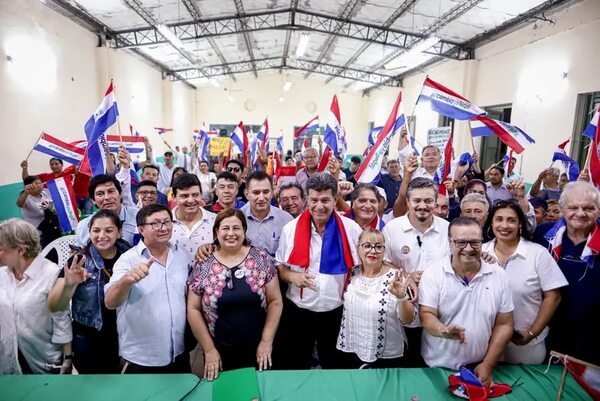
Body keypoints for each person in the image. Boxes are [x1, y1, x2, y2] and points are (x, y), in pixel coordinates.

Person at [274, 173, 362, 369]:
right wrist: (292, 276)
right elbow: (280, 267)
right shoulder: (290, 229)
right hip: (298, 313)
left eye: (325, 200)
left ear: (335, 199)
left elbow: (362, 268)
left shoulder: (351, 230)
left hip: (337, 313)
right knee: (295, 368)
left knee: (336, 368)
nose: (319, 206)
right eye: (314, 200)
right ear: (306, 200)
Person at [187, 209, 283, 380]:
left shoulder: (261, 259)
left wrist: (267, 341)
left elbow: (275, 301)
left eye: (236, 228)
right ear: (216, 232)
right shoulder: (204, 264)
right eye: (225, 228)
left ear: (244, 231)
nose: (231, 233)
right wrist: (209, 350)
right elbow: (193, 309)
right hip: (218, 350)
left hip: (260, 347)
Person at [419, 217, 514, 386]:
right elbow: (426, 315)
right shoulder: (434, 272)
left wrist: (488, 364)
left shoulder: (498, 275)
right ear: (449, 243)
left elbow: (504, 324)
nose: (468, 249)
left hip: (480, 367)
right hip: (438, 367)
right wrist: (444, 330)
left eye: (475, 243)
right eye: (461, 242)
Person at [104, 204, 190, 373]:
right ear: (141, 229)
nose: (163, 228)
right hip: (141, 359)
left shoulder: (181, 255)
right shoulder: (128, 260)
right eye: (155, 223)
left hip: (178, 353)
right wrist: (126, 281)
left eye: (167, 222)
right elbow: (110, 302)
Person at [482, 201, 567, 364]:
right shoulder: (480, 252)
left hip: (525, 346)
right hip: (485, 342)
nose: (504, 225)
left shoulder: (537, 254)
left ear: (520, 224)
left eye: (511, 220)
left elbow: (553, 297)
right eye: (499, 219)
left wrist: (531, 333)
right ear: (491, 222)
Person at [48, 210, 131, 373]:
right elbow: (54, 306)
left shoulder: (129, 255)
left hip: (124, 336)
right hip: (90, 340)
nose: (102, 236)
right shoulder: (78, 261)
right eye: (96, 230)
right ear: (89, 232)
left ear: (119, 232)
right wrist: (68, 284)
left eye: (109, 230)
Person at [383, 177, 449, 367]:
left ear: (435, 202)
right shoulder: (392, 228)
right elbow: (383, 263)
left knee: (432, 364)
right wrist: (406, 276)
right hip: (402, 310)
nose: (422, 206)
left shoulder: (448, 229)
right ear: (408, 202)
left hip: (439, 311)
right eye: (417, 201)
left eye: (428, 201)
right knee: (405, 362)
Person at [534, 181, 600, 365]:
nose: (580, 213)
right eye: (573, 207)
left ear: (598, 210)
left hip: (591, 333)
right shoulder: (543, 234)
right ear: (562, 208)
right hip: (548, 326)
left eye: (589, 208)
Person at [0, 219, 73, 374]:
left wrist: (67, 358)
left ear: (20, 250)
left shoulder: (50, 274)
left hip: (44, 358)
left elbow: (61, 318)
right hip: (8, 358)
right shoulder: (2, 273)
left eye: (1, 248)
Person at [336, 229, 417, 368]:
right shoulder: (351, 273)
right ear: (358, 248)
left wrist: (401, 297)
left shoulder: (396, 278)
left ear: (384, 251)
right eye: (367, 246)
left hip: (387, 357)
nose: (373, 251)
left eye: (379, 247)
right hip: (353, 350)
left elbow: (408, 319)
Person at [75, 174, 138, 246]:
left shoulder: (139, 217)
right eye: (100, 194)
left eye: (111, 191)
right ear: (93, 200)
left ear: (120, 194)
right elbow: (80, 251)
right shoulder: (84, 226)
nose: (107, 197)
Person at [241, 171, 293, 257]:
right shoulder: (237, 218)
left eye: (265, 192)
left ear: (272, 193)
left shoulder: (286, 220)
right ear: (246, 194)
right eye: (256, 193)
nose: (261, 198)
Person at [21, 158, 92, 215]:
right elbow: (27, 180)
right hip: (53, 205)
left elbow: (82, 164)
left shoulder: (68, 172)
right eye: (51, 164)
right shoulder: (45, 176)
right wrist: (24, 168)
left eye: (56, 164)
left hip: (69, 201)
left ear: (62, 165)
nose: (54, 166)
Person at [171, 173, 216, 262]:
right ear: (174, 197)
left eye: (195, 195)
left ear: (201, 194)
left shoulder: (216, 221)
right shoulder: (164, 224)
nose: (191, 200)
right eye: (184, 196)